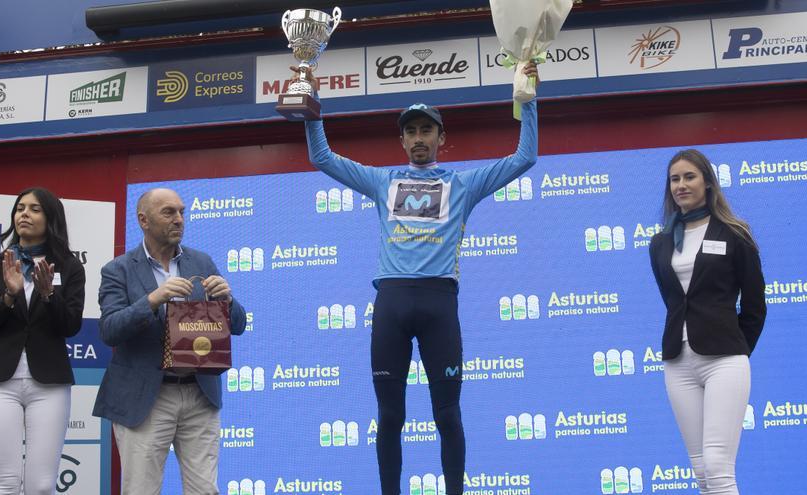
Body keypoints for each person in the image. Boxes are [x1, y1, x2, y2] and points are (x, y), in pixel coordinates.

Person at [299, 63, 540, 495]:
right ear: (402, 140)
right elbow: (321, 158)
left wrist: (528, 97)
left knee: (447, 414)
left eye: (426, 130)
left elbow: (525, 157)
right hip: (391, 303)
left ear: (441, 138)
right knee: (390, 416)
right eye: (410, 132)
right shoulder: (382, 181)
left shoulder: (462, 185)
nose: (418, 138)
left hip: (438, 304)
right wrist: (313, 109)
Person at [93, 188, 246, 495]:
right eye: (168, 212)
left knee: (205, 490)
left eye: (181, 212)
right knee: (141, 490)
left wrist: (227, 301)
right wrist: (152, 300)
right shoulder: (118, 270)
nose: (179, 219)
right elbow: (110, 330)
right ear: (143, 220)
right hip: (146, 397)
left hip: (199, 394)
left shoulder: (201, 262)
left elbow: (238, 325)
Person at [648, 149, 766, 495]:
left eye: (689, 177)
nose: (681, 185)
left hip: (724, 360)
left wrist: (735, 348)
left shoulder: (734, 234)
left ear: (708, 183)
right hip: (678, 362)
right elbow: (674, 301)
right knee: (700, 470)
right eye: (674, 179)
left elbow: (756, 307)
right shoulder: (660, 243)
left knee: (717, 465)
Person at [0, 187, 86, 495]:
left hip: (49, 383)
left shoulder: (70, 266)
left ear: (51, 218)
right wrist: (9, 295)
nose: (24, 214)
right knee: (2, 483)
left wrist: (49, 295)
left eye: (35, 209)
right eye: (20, 208)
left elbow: (71, 326)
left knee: (42, 485)